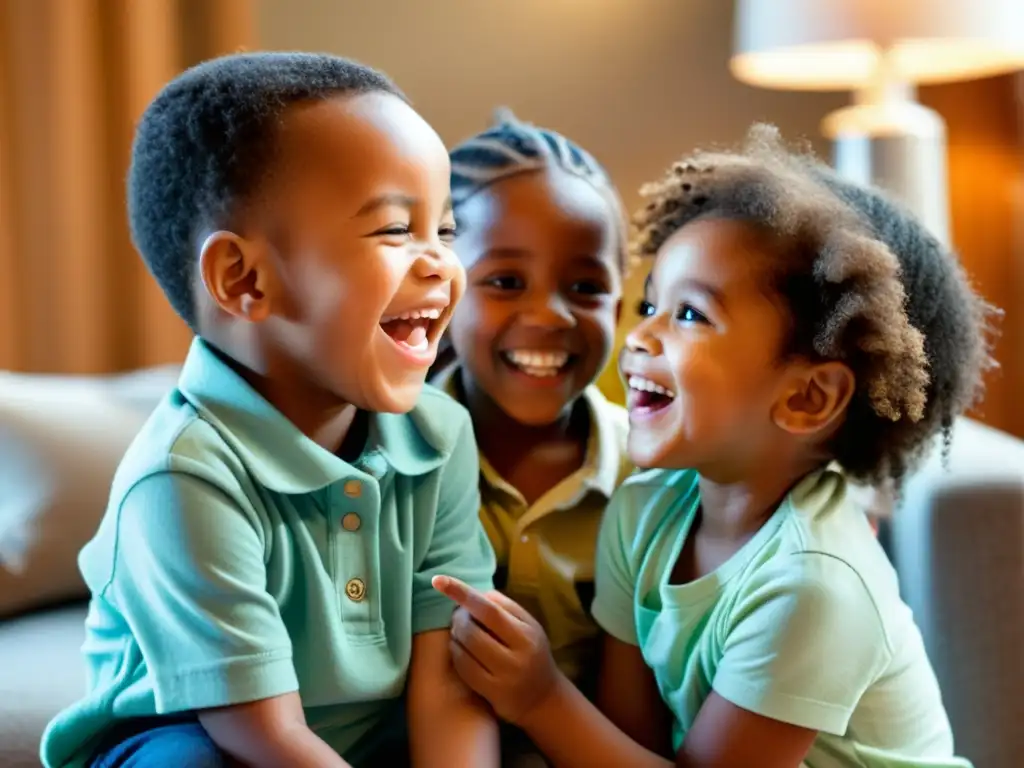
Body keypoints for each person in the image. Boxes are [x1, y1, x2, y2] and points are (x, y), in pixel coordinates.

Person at [433, 124, 994, 768]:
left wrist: (540, 698)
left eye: (691, 314)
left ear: (807, 399)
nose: (640, 337)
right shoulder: (643, 512)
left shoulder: (812, 587)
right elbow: (626, 747)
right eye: (649, 305)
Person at [40, 52, 498, 768]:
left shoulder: (440, 434)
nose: (439, 262)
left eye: (442, 229)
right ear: (243, 279)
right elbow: (266, 734)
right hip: (207, 734)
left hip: (365, 738)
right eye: (392, 231)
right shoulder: (180, 480)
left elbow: (447, 678)